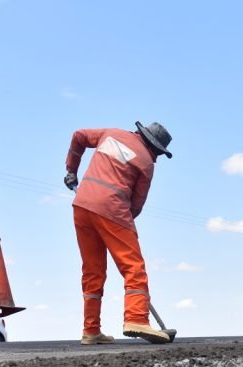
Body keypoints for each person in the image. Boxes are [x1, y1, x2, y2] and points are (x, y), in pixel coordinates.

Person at [65, 122, 174, 345]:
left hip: (82, 205)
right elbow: (136, 204)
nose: (157, 158)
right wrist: (116, 227)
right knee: (133, 266)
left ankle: (91, 330)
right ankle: (136, 318)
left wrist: (71, 170)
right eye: (159, 153)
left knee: (93, 271)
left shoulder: (111, 133)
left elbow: (78, 136)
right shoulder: (146, 162)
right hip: (113, 210)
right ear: (155, 147)